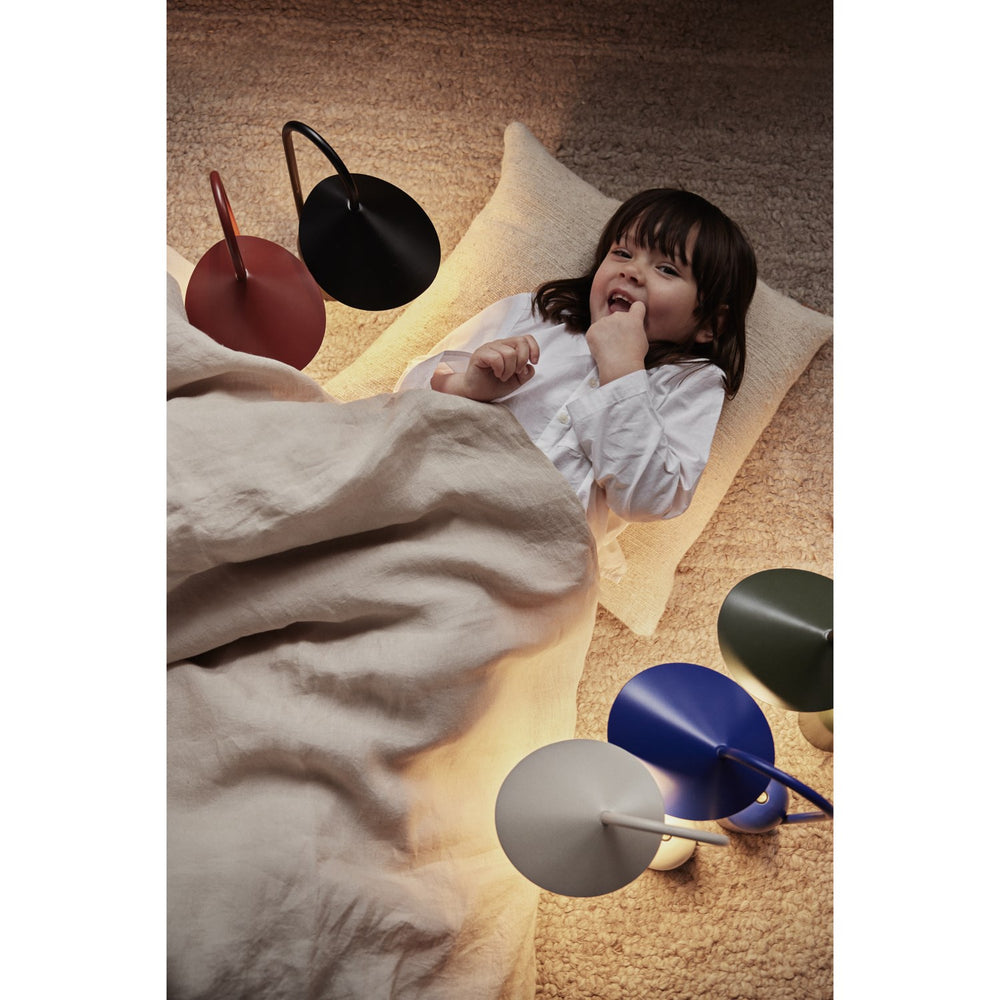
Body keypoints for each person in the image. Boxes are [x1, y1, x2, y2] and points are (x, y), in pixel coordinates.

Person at [395, 188, 758, 580]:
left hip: (533, 563)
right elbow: (403, 400)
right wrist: (465, 386)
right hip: (436, 501)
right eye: (622, 252)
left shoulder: (693, 380)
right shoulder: (535, 315)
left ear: (711, 324)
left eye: (667, 270)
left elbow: (650, 499)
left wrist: (622, 371)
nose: (632, 272)